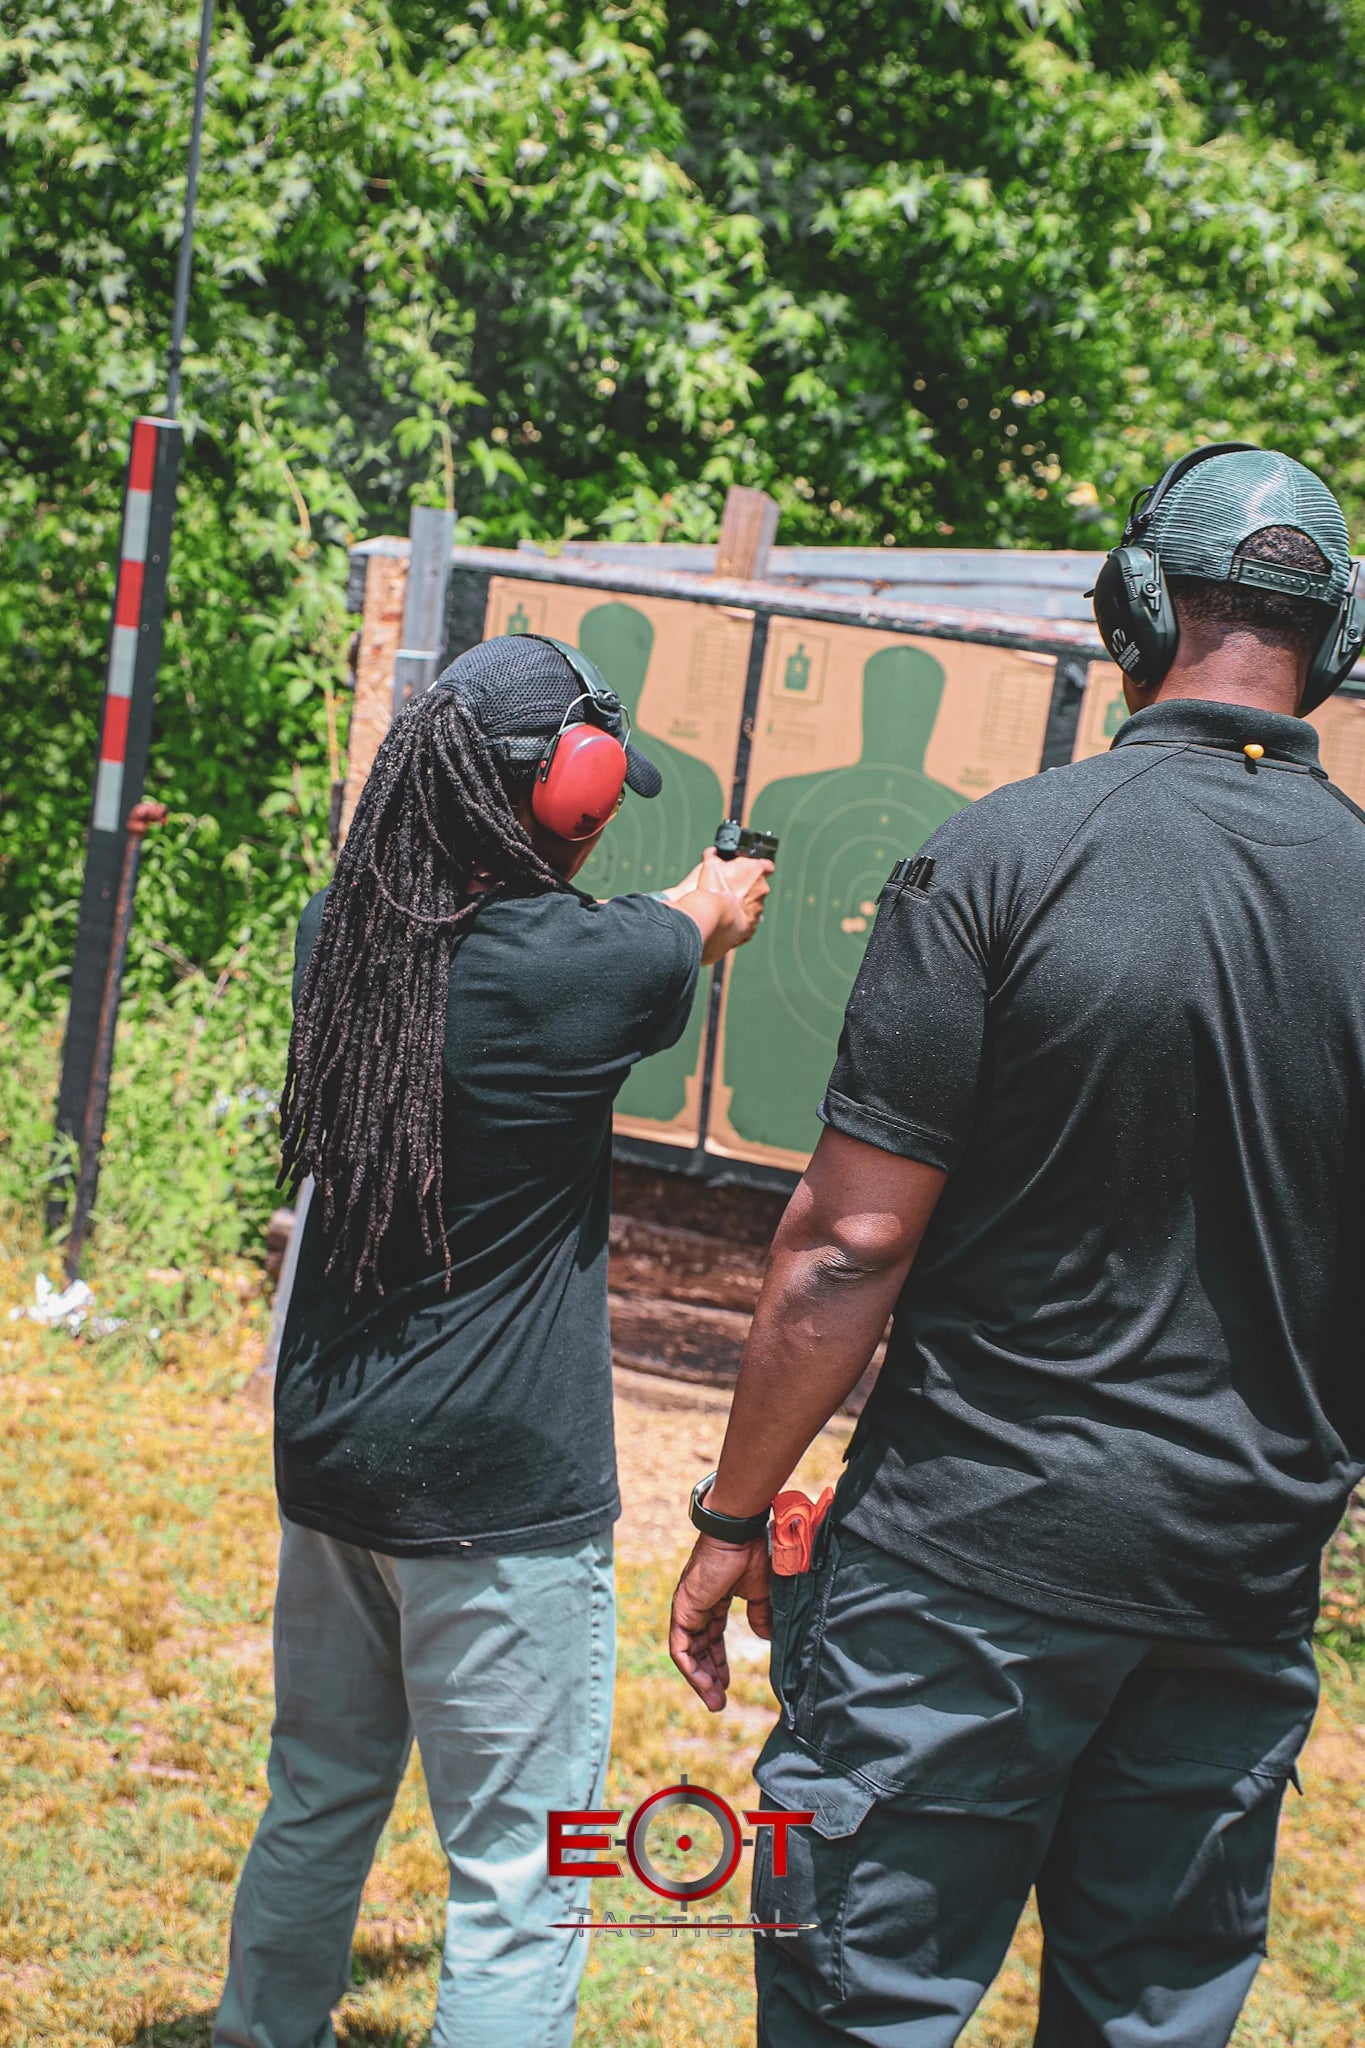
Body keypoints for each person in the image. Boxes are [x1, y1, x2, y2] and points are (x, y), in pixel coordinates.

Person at [668, 446, 1365, 2047]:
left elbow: (845, 1248)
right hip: (1235, 1586)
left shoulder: (998, 855)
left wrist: (730, 1511)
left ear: (1128, 609)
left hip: (955, 1575)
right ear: (1333, 645)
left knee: (860, 2003)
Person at [215, 632, 771, 2048]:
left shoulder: (336, 931)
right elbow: (673, 927)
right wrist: (712, 899)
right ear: (563, 795)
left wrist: (669, 911)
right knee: (524, 1876)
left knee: (316, 1801)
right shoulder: (594, 965)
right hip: (499, 1496)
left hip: (335, 1456)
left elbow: (567, 934)